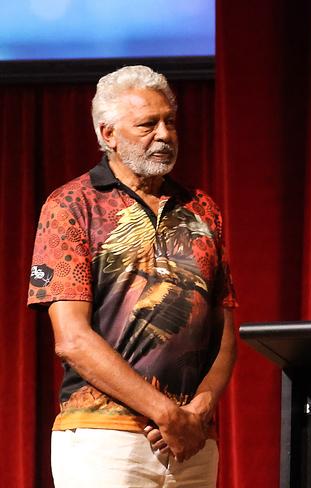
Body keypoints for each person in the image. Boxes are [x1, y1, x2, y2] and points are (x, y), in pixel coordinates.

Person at [27, 65, 237, 487]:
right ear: (108, 135)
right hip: (103, 440)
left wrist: (197, 412)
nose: (164, 134)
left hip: (191, 441)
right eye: (147, 124)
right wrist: (166, 413)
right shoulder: (70, 204)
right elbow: (72, 340)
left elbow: (226, 330)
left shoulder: (202, 209)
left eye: (170, 121)